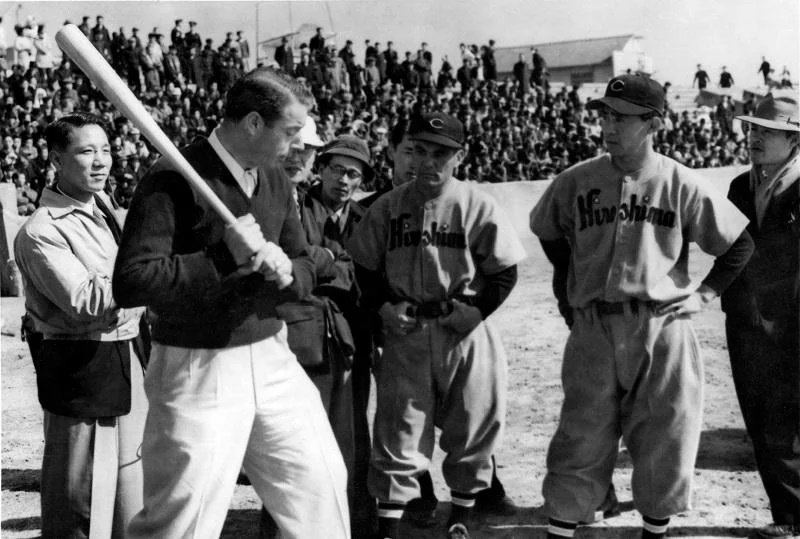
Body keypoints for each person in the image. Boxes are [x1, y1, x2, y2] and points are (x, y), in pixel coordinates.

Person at [113, 68, 350, 539]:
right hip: (197, 366)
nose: (298, 146)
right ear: (254, 124)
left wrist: (289, 274)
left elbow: (303, 262)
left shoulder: (276, 179)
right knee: (183, 519)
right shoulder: (171, 179)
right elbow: (132, 283)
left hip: (271, 352)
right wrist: (223, 258)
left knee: (320, 487)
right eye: (291, 132)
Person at [529, 74, 754, 539]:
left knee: (663, 439)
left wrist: (705, 294)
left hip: (660, 324)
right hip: (594, 327)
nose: (609, 127)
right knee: (579, 436)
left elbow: (738, 244)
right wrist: (569, 286)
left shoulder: (680, 182)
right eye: (606, 116)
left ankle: (655, 531)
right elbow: (549, 233)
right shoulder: (575, 180)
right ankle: (563, 527)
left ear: (654, 123)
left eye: (623, 118)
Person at [347, 112, 526, 539]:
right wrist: (384, 307)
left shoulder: (476, 203)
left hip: (461, 328)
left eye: (440, 153)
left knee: (472, 423)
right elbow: (364, 269)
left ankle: (462, 516)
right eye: (420, 151)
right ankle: (390, 529)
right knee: (398, 428)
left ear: (459, 156)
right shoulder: (388, 207)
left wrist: (478, 310)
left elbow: (504, 271)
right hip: (406, 331)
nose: (428, 162)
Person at [13, 112, 149, 538]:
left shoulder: (104, 205)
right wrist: (147, 276)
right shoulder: (41, 230)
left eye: (106, 150)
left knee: (131, 487)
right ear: (56, 159)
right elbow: (87, 303)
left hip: (126, 356)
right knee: (80, 498)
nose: (100, 161)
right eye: (86, 151)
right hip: (81, 367)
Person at [722, 93, 800, 539]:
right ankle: (786, 517)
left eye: (766, 131)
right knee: (759, 419)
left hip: (792, 321)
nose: (753, 138)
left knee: (786, 422)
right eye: (752, 129)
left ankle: (793, 519)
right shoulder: (738, 187)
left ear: (792, 140)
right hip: (747, 322)